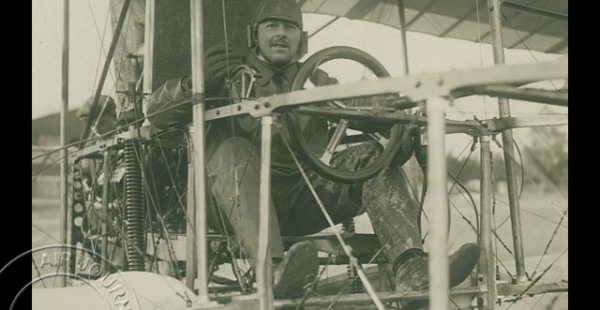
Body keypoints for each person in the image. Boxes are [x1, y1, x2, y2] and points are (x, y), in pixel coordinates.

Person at [147, 0, 480, 302]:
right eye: (271, 26)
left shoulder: (317, 81)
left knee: (370, 156)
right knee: (233, 149)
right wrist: (195, 84)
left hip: (304, 196)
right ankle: (274, 270)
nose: (280, 34)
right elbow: (156, 114)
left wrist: (394, 122)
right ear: (254, 35)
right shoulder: (226, 75)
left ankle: (411, 269)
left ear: (302, 39)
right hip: (232, 203)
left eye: (289, 27)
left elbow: (359, 105)